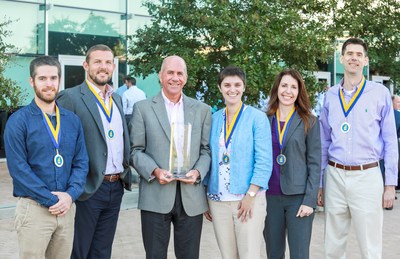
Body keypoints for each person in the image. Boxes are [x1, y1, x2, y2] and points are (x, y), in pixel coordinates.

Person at [318, 37, 398, 259]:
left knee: (370, 246)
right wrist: (321, 182)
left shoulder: (379, 94)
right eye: (349, 54)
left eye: (359, 54)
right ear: (341, 58)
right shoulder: (330, 96)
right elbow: (324, 142)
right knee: (332, 245)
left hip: (367, 175)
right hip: (335, 174)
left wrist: (390, 184)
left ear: (366, 61)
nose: (354, 58)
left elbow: (391, 141)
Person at [4, 56, 88, 259]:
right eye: (42, 78)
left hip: (67, 209)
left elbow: (81, 163)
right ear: (32, 81)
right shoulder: (18, 121)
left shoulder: (72, 121)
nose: (49, 84)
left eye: (53, 78)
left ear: (59, 80)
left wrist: (70, 195)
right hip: (34, 210)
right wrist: (51, 199)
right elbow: (19, 170)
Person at [130, 55, 211, 259]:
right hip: (155, 194)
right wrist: (155, 171)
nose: (175, 78)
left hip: (190, 197)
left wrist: (198, 172)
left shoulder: (202, 110)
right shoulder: (143, 109)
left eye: (179, 73)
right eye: (170, 73)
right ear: (160, 75)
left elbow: (206, 150)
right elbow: (135, 151)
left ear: (186, 77)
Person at [57, 44, 132, 259]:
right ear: (86, 65)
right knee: (79, 251)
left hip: (115, 186)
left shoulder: (117, 99)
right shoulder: (70, 98)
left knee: (102, 251)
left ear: (113, 67)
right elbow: (60, 146)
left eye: (108, 62)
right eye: (97, 62)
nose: (103, 67)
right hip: (87, 189)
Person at [203, 66, 272, 259]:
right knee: (228, 256)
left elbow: (264, 161)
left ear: (244, 87)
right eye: (227, 85)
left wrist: (251, 195)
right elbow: (208, 158)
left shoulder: (257, 118)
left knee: (250, 254)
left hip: (247, 200)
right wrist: (206, 195)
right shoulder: (214, 119)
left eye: (237, 85)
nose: (232, 89)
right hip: (218, 201)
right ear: (220, 88)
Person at [263, 69, 321, 259]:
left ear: (299, 91)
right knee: (274, 253)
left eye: (293, 87)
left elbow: (314, 163)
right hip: (269, 198)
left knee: (300, 254)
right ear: (277, 89)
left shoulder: (309, 122)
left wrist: (309, 201)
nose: (288, 91)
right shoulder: (264, 120)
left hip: (298, 199)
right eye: (284, 85)